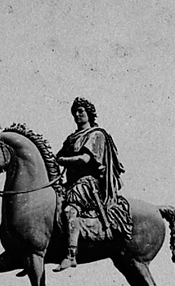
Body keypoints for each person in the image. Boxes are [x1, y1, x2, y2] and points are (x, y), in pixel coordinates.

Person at [54, 96, 131, 270]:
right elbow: (57, 157)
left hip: (88, 184)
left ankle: (71, 255)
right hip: (71, 183)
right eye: (75, 112)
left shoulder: (96, 135)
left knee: (69, 210)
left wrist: (63, 160)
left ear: (89, 113)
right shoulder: (72, 137)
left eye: (81, 111)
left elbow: (84, 159)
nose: (77, 114)